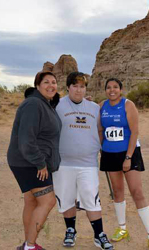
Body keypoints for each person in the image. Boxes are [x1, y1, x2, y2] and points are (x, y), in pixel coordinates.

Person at [99, 78, 149, 250]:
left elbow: (135, 132)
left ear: (121, 89)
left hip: (129, 152)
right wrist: (100, 148)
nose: (112, 90)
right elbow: (100, 130)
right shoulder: (101, 106)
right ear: (105, 90)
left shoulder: (128, 105)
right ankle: (122, 229)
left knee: (137, 192)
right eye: (109, 87)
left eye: (115, 87)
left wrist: (128, 157)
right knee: (118, 191)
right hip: (109, 153)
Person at [53, 72, 114, 250]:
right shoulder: (57, 105)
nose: (78, 90)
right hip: (63, 163)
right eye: (75, 86)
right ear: (68, 87)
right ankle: (70, 231)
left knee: (91, 197)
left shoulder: (94, 107)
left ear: (85, 88)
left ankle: (99, 235)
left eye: (82, 86)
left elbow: (100, 130)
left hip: (88, 163)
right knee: (67, 198)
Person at [7, 71, 62, 250]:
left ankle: (27, 244)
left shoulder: (44, 103)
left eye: (54, 82)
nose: (51, 85)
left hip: (28, 160)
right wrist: (40, 163)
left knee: (31, 201)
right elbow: (26, 139)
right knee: (47, 201)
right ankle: (30, 246)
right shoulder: (33, 104)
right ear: (37, 85)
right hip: (29, 162)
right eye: (46, 82)